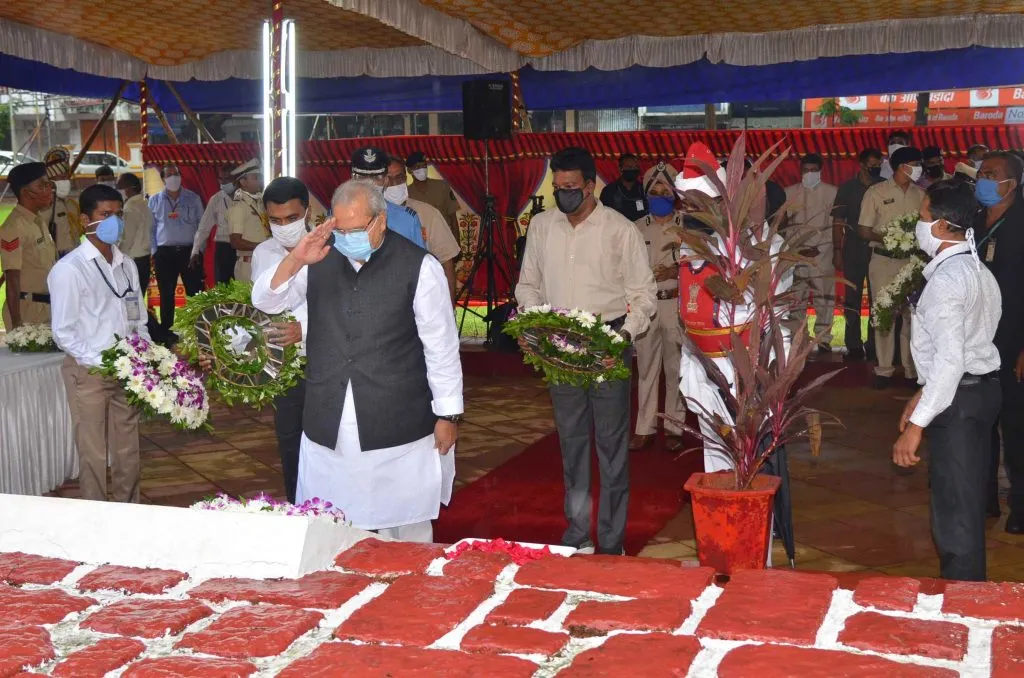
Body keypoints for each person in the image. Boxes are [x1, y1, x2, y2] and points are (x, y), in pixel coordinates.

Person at [251, 180, 461, 542]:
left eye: (356, 229)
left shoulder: (419, 266)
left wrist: (448, 414)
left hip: (398, 419)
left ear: (380, 221)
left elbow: (440, 347)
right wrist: (297, 257)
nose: (346, 237)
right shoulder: (318, 257)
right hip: (329, 416)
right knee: (333, 525)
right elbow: (265, 300)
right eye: (340, 228)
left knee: (405, 525)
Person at [516, 146, 657, 555]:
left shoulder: (619, 230)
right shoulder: (542, 227)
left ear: (591, 186)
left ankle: (611, 542)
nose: (564, 195)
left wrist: (624, 336)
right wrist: (532, 319)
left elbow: (643, 293)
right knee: (571, 443)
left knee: (611, 448)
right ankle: (577, 535)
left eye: (571, 187)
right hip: (559, 347)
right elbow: (528, 284)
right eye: (558, 187)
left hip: (608, 343)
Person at [675, 143, 793, 566]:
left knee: (747, 458)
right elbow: (691, 306)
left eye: (699, 203)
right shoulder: (693, 244)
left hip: (744, 371)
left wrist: (765, 371)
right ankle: (719, 540)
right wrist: (692, 364)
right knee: (715, 453)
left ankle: (752, 544)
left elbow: (775, 313)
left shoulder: (761, 245)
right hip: (707, 370)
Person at [893, 180, 1001, 581]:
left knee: (955, 511)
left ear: (940, 227)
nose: (919, 223)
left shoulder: (947, 280)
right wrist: (923, 395)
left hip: (960, 398)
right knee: (966, 499)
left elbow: (952, 360)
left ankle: (965, 604)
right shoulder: (975, 267)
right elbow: (965, 347)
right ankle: (970, 593)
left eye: (923, 216)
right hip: (980, 391)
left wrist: (916, 428)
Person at [49, 184, 149, 503]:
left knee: (128, 448)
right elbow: (63, 332)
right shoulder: (69, 269)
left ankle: (128, 510)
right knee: (92, 453)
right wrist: (100, 362)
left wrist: (143, 356)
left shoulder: (127, 265)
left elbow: (138, 318)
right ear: (84, 220)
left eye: (118, 214)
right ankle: (95, 518)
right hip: (88, 372)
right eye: (105, 215)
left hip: (128, 369)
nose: (114, 222)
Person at [249, 177, 312, 504]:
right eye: (275, 220)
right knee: (289, 440)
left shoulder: (331, 248)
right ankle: (299, 507)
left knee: (327, 442)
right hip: (283, 365)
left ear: (307, 211)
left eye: (291, 219)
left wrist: (305, 328)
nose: (284, 226)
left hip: (326, 361)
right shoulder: (263, 253)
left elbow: (345, 305)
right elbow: (258, 307)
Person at [976, 151, 1024, 530]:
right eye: (981, 173)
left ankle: (1021, 509)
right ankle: (984, 499)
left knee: (1017, 426)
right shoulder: (975, 221)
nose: (984, 180)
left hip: (1014, 339)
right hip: (979, 341)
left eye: (991, 174)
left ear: (1012, 182)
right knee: (981, 422)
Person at [858, 146, 925, 388]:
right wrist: (891, 239)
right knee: (884, 314)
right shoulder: (876, 192)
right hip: (883, 260)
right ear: (901, 167)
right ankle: (883, 370)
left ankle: (911, 370)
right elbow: (864, 230)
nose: (919, 169)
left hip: (913, 263)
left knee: (911, 316)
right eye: (915, 164)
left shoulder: (922, 195)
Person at [631, 162, 686, 452]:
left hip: (675, 303)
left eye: (665, 189)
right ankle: (645, 428)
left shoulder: (687, 226)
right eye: (654, 190)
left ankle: (675, 427)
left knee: (675, 368)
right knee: (646, 367)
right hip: (647, 306)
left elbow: (700, 263)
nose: (660, 194)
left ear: (674, 193)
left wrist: (676, 270)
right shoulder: (636, 228)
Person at [385, 156, 460, 301]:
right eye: (388, 179)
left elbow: (447, 263)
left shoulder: (427, 213)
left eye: (399, 178)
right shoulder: (371, 214)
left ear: (406, 178)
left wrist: (450, 309)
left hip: (423, 296)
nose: (394, 184)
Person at [785, 152, 838, 351]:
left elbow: (834, 225)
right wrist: (797, 248)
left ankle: (824, 339)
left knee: (824, 297)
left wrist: (819, 248)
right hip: (795, 255)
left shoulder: (832, 192)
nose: (810, 174)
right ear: (800, 171)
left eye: (814, 170)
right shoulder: (789, 193)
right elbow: (784, 227)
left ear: (821, 171)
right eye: (806, 170)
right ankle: (799, 338)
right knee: (796, 298)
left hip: (822, 254)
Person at [833, 148, 883, 362]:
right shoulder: (847, 188)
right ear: (862, 164)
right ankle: (852, 344)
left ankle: (874, 345)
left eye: (878, 163)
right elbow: (837, 221)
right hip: (852, 248)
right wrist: (837, 250)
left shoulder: (884, 186)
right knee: (851, 299)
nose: (875, 167)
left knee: (878, 300)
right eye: (872, 164)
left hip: (878, 249)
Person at [149, 163, 204, 336]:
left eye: (176, 174)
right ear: (163, 178)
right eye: (169, 174)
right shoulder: (154, 200)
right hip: (164, 253)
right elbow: (150, 229)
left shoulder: (193, 198)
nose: (173, 177)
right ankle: (167, 332)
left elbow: (201, 226)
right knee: (166, 294)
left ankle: (198, 329)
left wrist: (198, 250)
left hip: (190, 252)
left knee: (195, 293)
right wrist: (154, 252)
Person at [0, 162, 57, 330]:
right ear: (26, 192)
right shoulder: (15, 227)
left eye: (48, 184)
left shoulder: (38, 221)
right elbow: (12, 278)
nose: (49, 190)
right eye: (42, 186)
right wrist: (17, 324)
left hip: (47, 308)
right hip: (27, 313)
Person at [349, 146, 426, 249]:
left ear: (385, 180)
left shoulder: (407, 219)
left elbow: (419, 261)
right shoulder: (338, 218)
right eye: (362, 177)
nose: (369, 183)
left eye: (376, 178)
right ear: (353, 179)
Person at [190, 164, 238, 283]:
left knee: (243, 285)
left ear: (237, 179)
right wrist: (195, 250)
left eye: (227, 179)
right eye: (220, 179)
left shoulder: (247, 198)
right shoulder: (216, 199)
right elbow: (204, 227)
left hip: (243, 248)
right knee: (222, 286)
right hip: (224, 247)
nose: (223, 183)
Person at [226, 159, 267, 282]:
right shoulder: (238, 206)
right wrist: (263, 246)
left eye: (260, 177)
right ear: (243, 182)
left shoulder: (260, 202)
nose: (260, 181)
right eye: (255, 178)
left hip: (263, 262)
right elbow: (236, 241)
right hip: (248, 265)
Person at [407, 151, 461, 244]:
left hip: (444, 240)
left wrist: (457, 243)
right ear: (409, 170)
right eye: (417, 167)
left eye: (424, 165)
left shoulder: (442, 186)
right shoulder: (406, 193)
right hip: (420, 242)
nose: (422, 169)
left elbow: (453, 217)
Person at [117, 173, 154, 292]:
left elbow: (127, 238)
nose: (118, 190)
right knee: (139, 296)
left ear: (128, 188)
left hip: (132, 259)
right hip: (145, 257)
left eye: (120, 186)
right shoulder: (147, 203)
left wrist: (117, 256)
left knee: (130, 299)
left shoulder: (130, 207)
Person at [42, 147, 81, 258]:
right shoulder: (43, 207)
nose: (65, 181)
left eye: (65, 177)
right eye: (60, 178)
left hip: (74, 252)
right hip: (54, 255)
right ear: (50, 182)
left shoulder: (71, 204)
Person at [600, 153, 648, 223]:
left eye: (636, 167)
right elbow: (603, 216)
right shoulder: (609, 191)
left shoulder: (644, 190)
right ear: (620, 169)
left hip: (640, 230)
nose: (633, 169)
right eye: (629, 167)